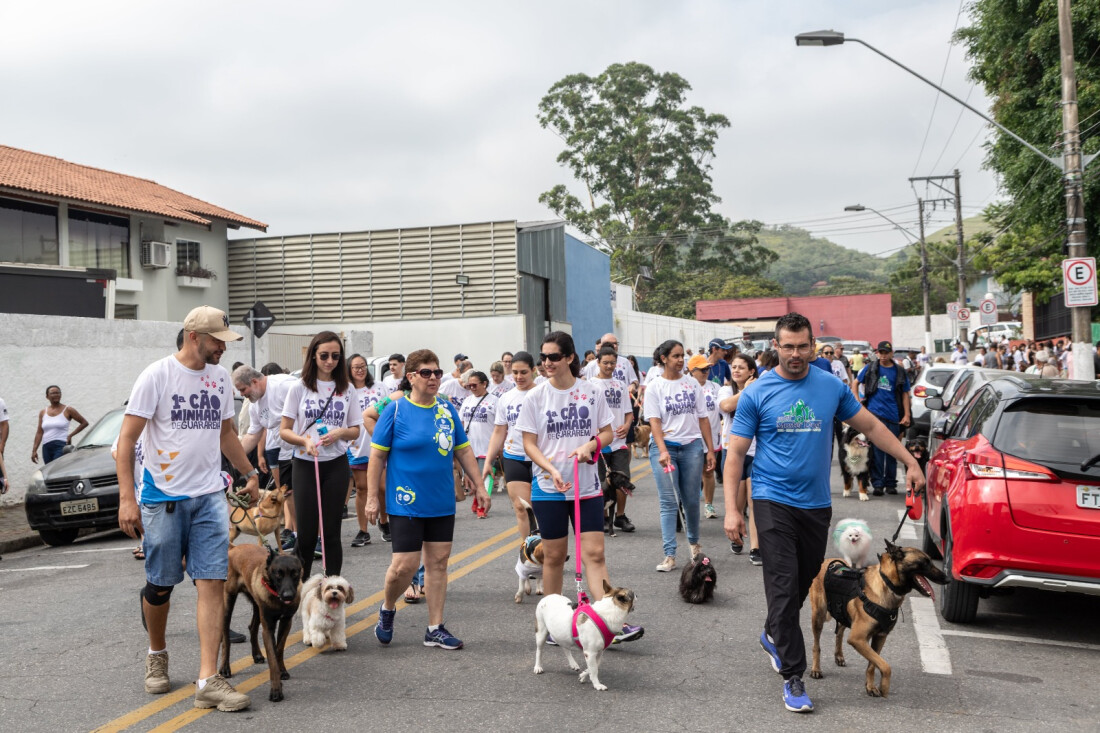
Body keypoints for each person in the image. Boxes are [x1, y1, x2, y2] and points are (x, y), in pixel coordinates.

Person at [723, 312, 924, 714]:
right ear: (776, 346)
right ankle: (793, 676)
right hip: (771, 499)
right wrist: (732, 509)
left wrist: (909, 461)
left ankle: (772, 632)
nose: (796, 354)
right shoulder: (757, 393)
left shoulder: (830, 386)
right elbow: (736, 454)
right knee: (783, 588)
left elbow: (872, 426)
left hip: (815, 505)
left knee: (800, 585)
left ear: (813, 346)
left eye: (803, 346)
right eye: (788, 347)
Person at [116, 305, 261, 711]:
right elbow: (127, 440)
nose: (223, 348)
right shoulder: (157, 375)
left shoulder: (220, 378)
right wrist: (127, 498)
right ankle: (157, 653)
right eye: (218, 340)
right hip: (163, 497)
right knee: (161, 584)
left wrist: (249, 472)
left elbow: (226, 433)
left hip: (210, 496)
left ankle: (208, 679)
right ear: (194, 336)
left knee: (211, 582)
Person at [517, 331, 643, 644]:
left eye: (554, 357)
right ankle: (552, 626)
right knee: (554, 556)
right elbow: (529, 443)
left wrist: (591, 446)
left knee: (595, 554)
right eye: (543, 357)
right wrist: (549, 469)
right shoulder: (535, 396)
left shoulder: (591, 392)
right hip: (549, 488)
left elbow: (607, 433)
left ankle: (611, 623)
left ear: (570, 358)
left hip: (586, 487)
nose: (547, 362)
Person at [367, 349, 489, 651]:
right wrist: (371, 498)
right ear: (411, 377)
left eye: (437, 372)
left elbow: (463, 449)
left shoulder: (446, 408)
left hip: (440, 500)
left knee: (438, 563)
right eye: (426, 373)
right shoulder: (395, 410)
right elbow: (377, 457)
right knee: (404, 567)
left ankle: (435, 628)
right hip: (405, 500)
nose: (433, 377)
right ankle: (387, 608)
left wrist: (480, 486)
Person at [278, 332, 362, 577]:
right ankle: (301, 589)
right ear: (313, 356)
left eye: (335, 356)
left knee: (331, 533)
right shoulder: (299, 387)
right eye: (324, 355)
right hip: (306, 463)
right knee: (306, 534)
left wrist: (339, 433)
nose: (330, 361)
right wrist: (304, 440)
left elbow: (355, 430)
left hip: (336, 464)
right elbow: (284, 430)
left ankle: (331, 587)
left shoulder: (347, 389)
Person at [644, 339, 715, 572]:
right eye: (675, 356)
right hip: (664, 447)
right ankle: (669, 555)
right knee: (668, 501)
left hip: (692, 446)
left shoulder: (692, 384)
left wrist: (710, 449)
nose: (680, 360)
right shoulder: (654, 387)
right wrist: (663, 449)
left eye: (682, 355)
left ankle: (694, 546)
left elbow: (703, 418)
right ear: (663, 358)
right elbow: (654, 421)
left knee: (692, 499)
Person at [233, 364, 298, 547]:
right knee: (289, 494)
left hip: (303, 448)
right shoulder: (255, 405)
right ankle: (298, 535)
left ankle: (316, 538)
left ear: (254, 381)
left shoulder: (284, 385)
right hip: (283, 451)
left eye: (243, 390)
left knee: (305, 495)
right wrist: (232, 459)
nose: (243, 395)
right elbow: (252, 435)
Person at [482, 351, 538, 539]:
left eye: (523, 372)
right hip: (514, 456)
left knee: (540, 508)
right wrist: (488, 461)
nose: (519, 377)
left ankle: (548, 549)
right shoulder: (506, 398)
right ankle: (527, 549)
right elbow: (499, 431)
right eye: (515, 372)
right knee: (521, 507)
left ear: (533, 370)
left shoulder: (543, 394)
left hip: (541, 458)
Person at [718, 353, 761, 564]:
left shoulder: (760, 390)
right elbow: (726, 406)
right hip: (732, 452)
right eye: (733, 367)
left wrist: (753, 389)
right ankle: (737, 537)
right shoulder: (726, 390)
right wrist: (747, 390)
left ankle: (756, 547)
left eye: (741, 367)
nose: (736, 371)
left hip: (756, 451)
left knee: (754, 501)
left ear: (751, 371)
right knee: (737, 501)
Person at [854, 341, 911, 497]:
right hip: (874, 415)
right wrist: (857, 402)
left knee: (893, 450)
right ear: (877, 353)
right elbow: (855, 382)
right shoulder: (871, 368)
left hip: (893, 416)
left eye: (886, 352)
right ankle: (878, 484)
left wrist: (906, 415)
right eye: (881, 352)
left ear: (891, 353)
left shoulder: (899, 371)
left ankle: (891, 484)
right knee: (877, 452)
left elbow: (905, 393)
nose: (883, 355)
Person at [589, 345, 636, 531]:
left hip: (619, 442)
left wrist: (627, 425)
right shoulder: (590, 385)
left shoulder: (621, 385)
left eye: (613, 363)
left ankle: (620, 516)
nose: (609, 366)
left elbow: (629, 412)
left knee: (623, 479)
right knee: (601, 481)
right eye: (605, 363)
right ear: (598, 362)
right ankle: (604, 517)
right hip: (600, 442)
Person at [346, 354, 386, 547]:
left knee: (382, 487)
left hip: (379, 443)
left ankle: (385, 522)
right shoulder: (345, 391)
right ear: (349, 370)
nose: (360, 370)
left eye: (363, 366)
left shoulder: (379, 387)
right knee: (362, 488)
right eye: (356, 367)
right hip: (356, 446)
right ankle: (363, 531)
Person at [459, 371, 500, 517]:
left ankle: (482, 506)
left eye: (475, 385)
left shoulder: (495, 401)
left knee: (484, 478)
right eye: (469, 385)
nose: (472, 388)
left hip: (487, 447)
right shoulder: (467, 401)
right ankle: (477, 499)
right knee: (472, 479)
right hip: (469, 448)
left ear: (484, 384)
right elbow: (461, 423)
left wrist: (499, 447)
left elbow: (500, 426)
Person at [688, 354, 723, 519]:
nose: (706, 372)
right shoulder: (686, 387)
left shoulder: (715, 387)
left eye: (707, 369)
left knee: (708, 472)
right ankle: (690, 505)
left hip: (711, 438)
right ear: (692, 371)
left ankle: (708, 504)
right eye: (702, 369)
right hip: (691, 438)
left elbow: (723, 408)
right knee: (692, 474)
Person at [31, 385, 88, 464]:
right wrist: (34, 450)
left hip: (61, 445)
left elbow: (84, 423)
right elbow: (39, 432)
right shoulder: (43, 412)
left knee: (56, 466)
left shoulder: (68, 409)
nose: (56, 395)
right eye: (53, 393)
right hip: (46, 446)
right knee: (49, 469)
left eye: (58, 393)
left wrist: (70, 435)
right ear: (47, 396)